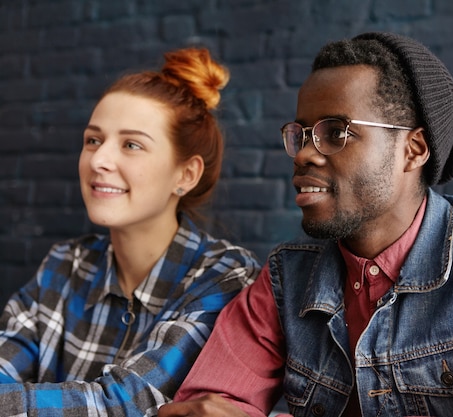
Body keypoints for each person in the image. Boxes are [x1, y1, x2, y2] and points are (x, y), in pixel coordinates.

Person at [158, 32, 453, 417]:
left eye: (336, 132)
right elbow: (203, 407)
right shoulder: (285, 279)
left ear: (413, 150)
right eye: (300, 135)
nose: (303, 154)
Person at [0, 47, 261, 416]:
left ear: (185, 174)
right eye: (93, 140)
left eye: (131, 145)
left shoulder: (222, 278)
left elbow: (125, 404)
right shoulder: (65, 264)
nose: (99, 160)